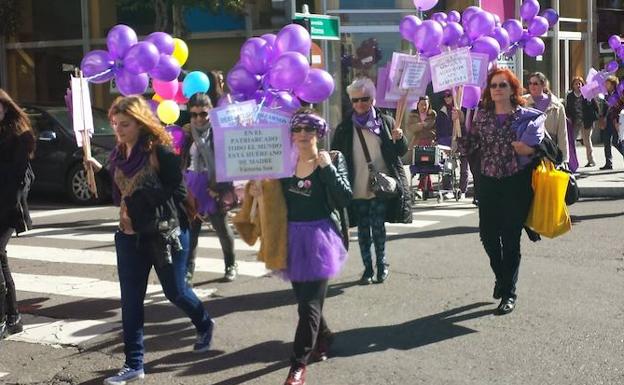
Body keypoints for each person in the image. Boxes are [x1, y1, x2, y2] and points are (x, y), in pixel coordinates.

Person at [86, 96, 214, 385]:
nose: (118, 130)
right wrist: (99, 173)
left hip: (164, 234)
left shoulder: (160, 151)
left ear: (141, 123)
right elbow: (119, 194)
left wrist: (146, 200)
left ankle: (204, 323)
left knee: (176, 292)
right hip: (129, 236)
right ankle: (134, 364)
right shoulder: (119, 154)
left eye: (125, 124)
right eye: (116, 124)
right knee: (131, 302)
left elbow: (178, 192)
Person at [250, 108, 351, 385]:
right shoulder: (285, 164)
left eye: (309, 129)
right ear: (291, 134)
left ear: (320, 132)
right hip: (291, 239)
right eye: (298, 129)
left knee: (308, 307)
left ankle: (297, 366)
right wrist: (259, 190)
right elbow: (274, 200)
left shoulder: (331, 160)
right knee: (306, 303)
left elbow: (345, 198)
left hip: (321, 239)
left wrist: (327, 169)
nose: (303, 134)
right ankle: (325, 335)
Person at [459, 68, 545, 315]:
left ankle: (509, 292)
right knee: (487, 236)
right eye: (494, 85)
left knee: (510, 239)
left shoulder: (525, 117)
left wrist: (529, 150)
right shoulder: (482, 116)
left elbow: (543, 147)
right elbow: (470, 146)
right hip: (487, 181)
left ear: (513, 90)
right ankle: (502, 277)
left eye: (502, 85)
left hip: (515, 183)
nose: (497, 89)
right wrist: (458, 125)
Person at [331, 77, 411, 285]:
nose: (359, 104)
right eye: (355, 100)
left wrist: (399, 138)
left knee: (378, 227)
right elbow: (336, 155)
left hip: (380, 185)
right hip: (356, 186)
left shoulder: (386, 122)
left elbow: (400, 151)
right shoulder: (344, 128)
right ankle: (367, 268)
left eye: (364, 99)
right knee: (363, 229)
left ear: (373, 99)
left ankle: (382, 264)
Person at [180, 93, 238, 283]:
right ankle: (189, 269)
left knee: (222, 228)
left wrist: (220, 188)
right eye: (195, 114)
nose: (199, 118)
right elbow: (182, 161)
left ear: (211, 112)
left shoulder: (220, 133)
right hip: (192, 185)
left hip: (214, 185)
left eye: (203, 114)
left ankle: (231, 264)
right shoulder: (187, 134)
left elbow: (229, 162)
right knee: (191, 231)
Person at [0, 89, 34, 339]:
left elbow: (17, 175)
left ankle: (6, 317)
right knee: (1, 259)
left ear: (5, 107)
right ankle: (13, 317)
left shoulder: (21, 135)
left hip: (9, 208)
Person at [524, 72, 569, 164]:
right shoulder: (523, 102)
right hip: (528, 152)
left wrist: (564, 159)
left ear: (543, 85)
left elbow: (562, 134)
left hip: (549, 151)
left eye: (535, 83)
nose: (532, 86)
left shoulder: (557, 106)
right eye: (530, 83)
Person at [436, 90, 469, 199]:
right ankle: (448, 189)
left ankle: (462, 190)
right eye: (445, 96)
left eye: (449, 96)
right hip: (448, 142)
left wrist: (459, 116)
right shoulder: (442, 111)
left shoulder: (462, 108)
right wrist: (441, 141)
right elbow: (439, 129)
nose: (447, 98)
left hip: (462, 140)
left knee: (463, 166)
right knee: (448, 165)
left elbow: (466, 124)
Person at [565, 77, 599, 167]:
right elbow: (568, 108)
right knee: (571, 141)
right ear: (573, 85)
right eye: (576, 83)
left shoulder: (587, 94)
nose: (578, 85)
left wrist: (595, 118)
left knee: (587, 141)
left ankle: (591, 160)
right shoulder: (570, 96)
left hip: (587, 121)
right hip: (575, 121)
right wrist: (568, 118)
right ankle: (571, 160)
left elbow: (595, 106)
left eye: (580, 83)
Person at [406, 95, 437, 196]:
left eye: (425, 105)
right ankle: (428, 188)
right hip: (417, 143)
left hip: (429, 143)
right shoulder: (413, 114)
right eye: (421, 104)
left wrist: (424, 128)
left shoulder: (432, 114)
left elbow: (433, 129)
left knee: (426, 164)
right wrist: (420, 126)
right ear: (417, 105)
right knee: (422, 164)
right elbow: (410, 128)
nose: (423, 107)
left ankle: (422, 186)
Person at [598, 76, 622, 170]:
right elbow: (604, 108)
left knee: (616, 142)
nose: (605, 85)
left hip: (616, 120)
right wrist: (601, 117)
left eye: (607, 83)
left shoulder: (619, 94)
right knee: (606, 141)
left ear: (612, 84)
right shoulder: (606, 95)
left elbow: (620, 107)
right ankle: (608, 163)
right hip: (607, 121)